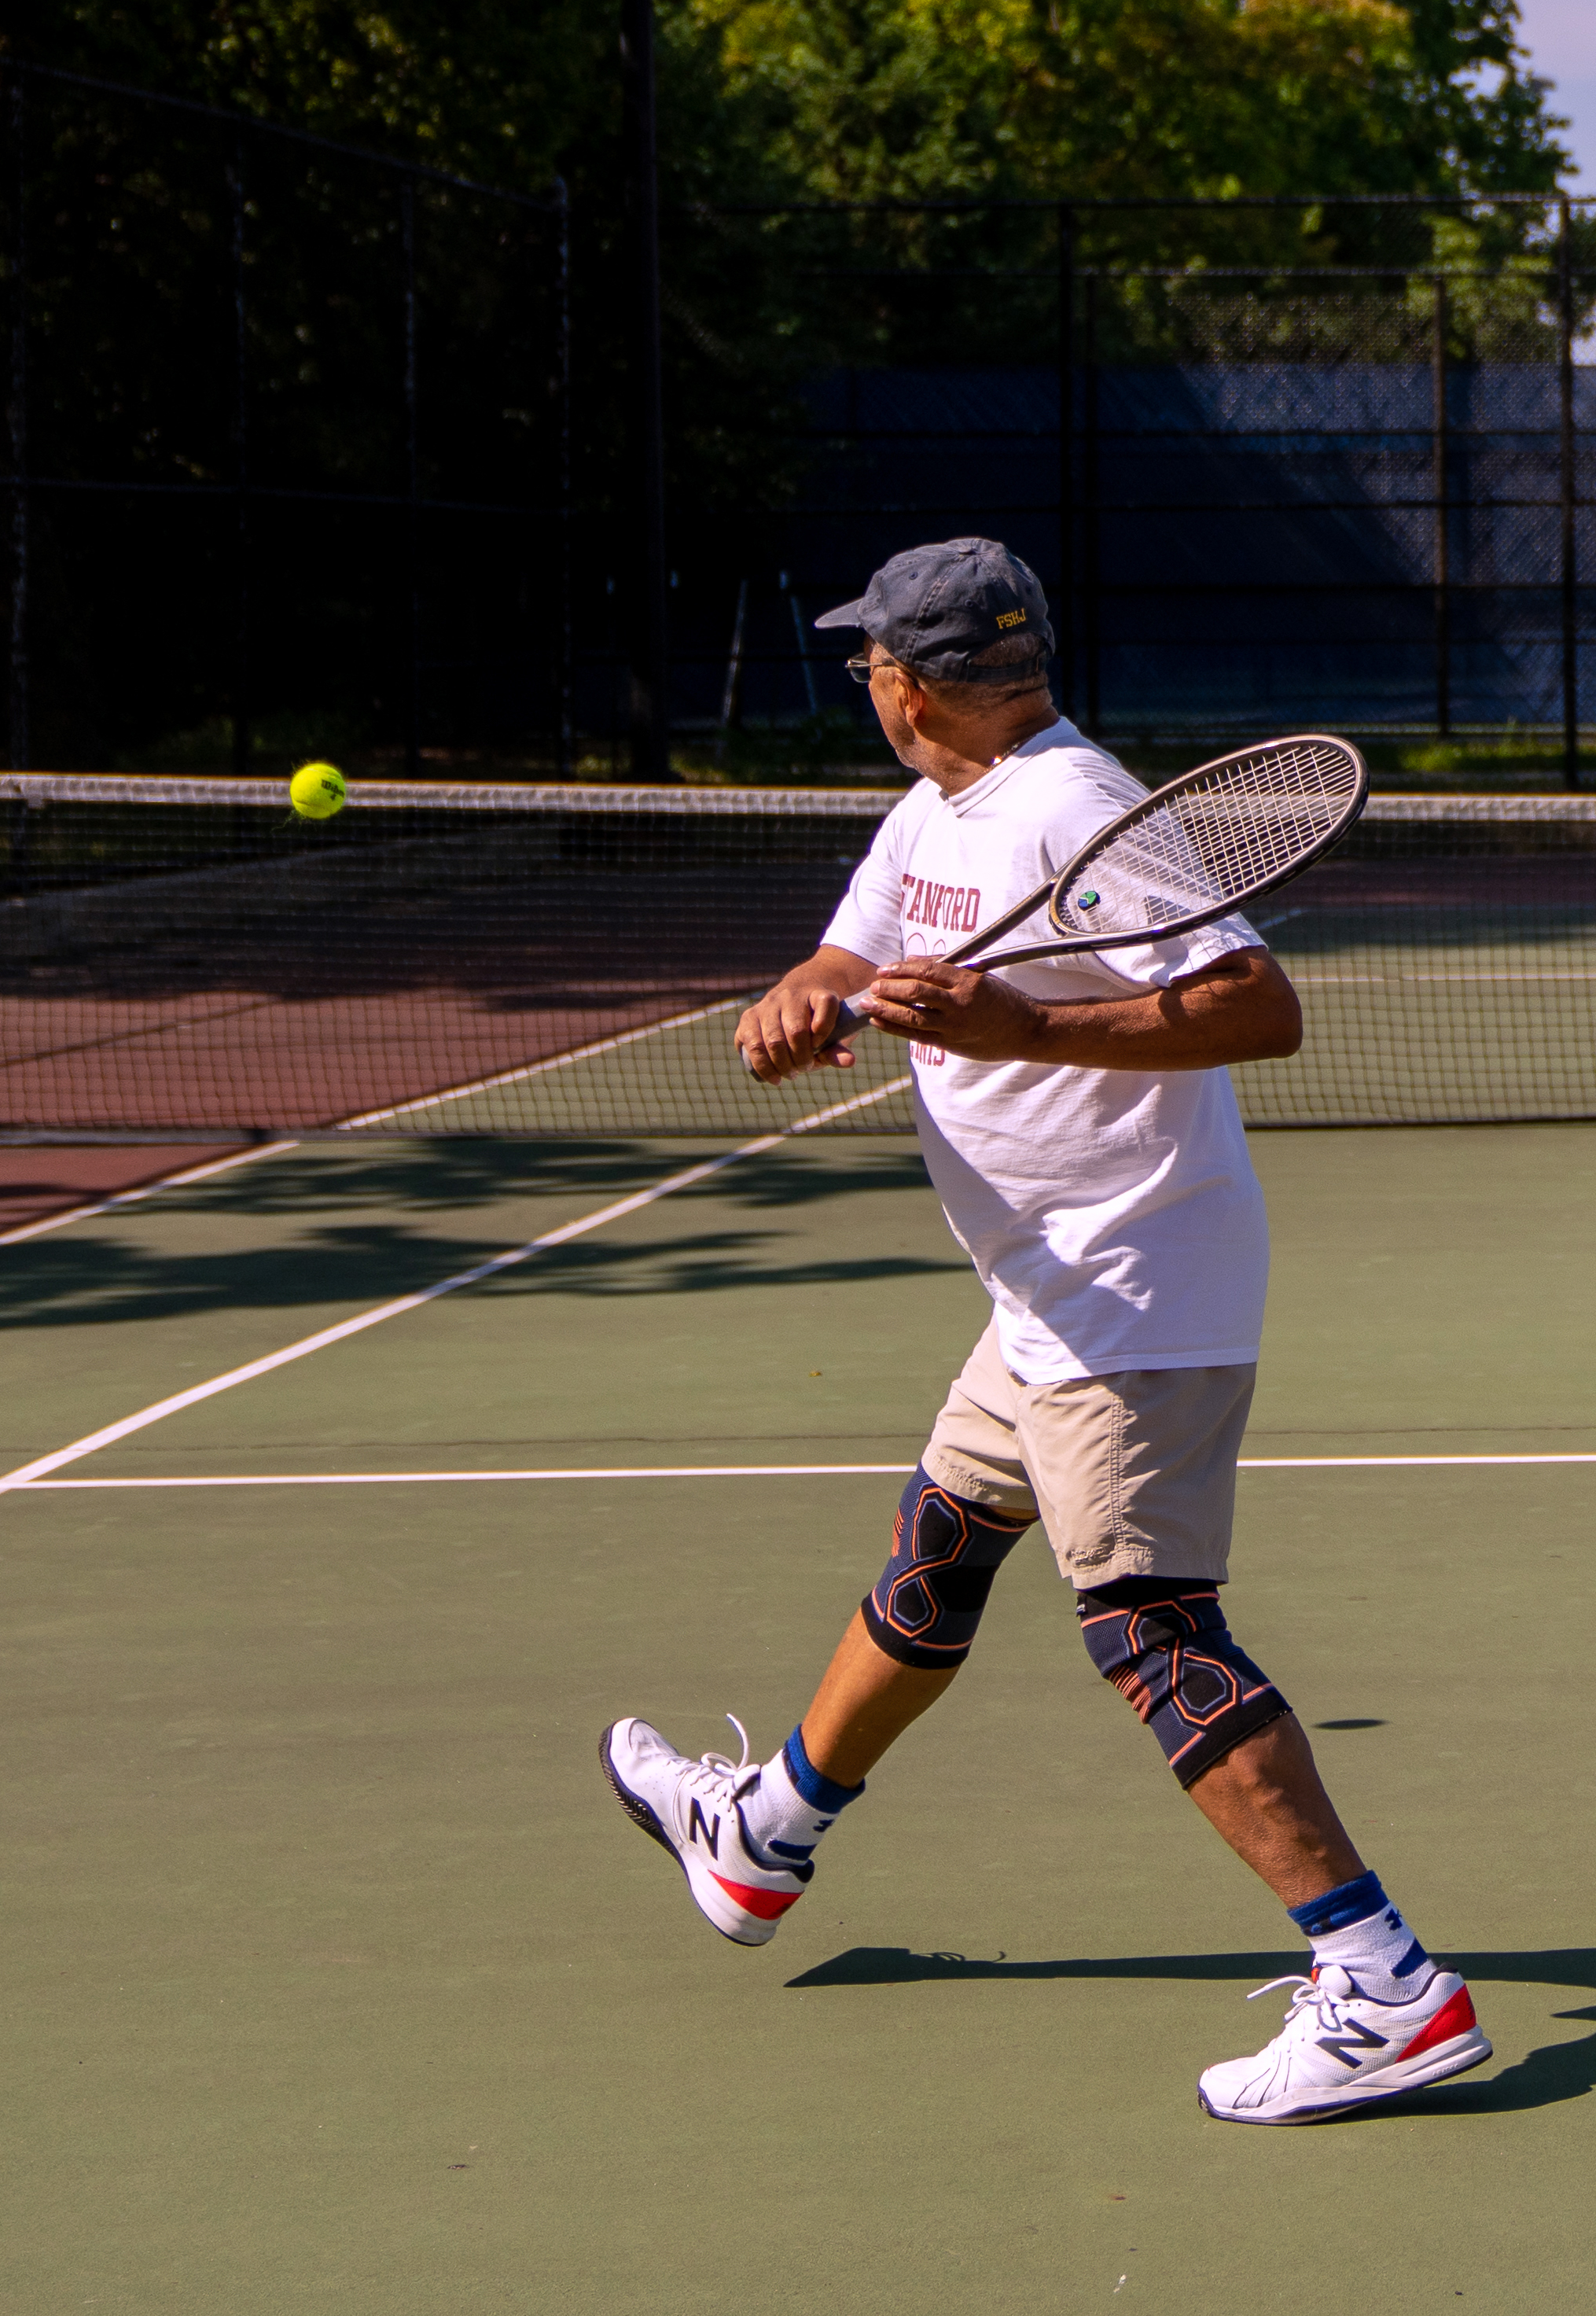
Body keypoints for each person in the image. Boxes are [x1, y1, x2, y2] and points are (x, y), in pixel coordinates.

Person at [595, 536, 1491, 2126]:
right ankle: (764, 1839)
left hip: (1136, 1288)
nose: (862, 673)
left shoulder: (1079, 810)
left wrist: (1024, 1025)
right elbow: (856, 947)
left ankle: (1385, 1987)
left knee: (1150, 1631)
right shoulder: (939, 808)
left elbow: (1255, 1005)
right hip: (1039, 1287)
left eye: (873, 655)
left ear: (915, 682)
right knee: (939, 1548)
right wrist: (807, 994)